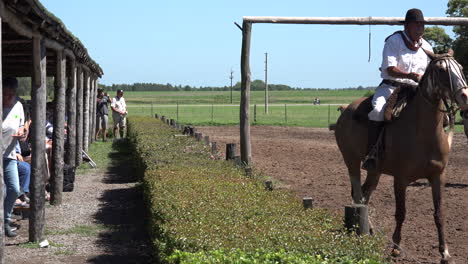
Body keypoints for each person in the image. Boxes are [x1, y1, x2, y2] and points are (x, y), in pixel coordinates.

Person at [362, 8, 434, 170]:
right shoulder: (394, 41)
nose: (420, 29)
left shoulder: (427, 46)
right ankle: (372, 153)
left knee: (439, 115)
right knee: (378, 111)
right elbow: (390, 69)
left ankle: (433, 155)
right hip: (391, 87)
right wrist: (410, 75)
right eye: (417, 25)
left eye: (422, 26)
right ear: (407, 26)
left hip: (417, 92)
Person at [2, 77, 26, 237]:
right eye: (5, 94)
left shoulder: (18, 106)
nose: (9, 97)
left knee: (14, 189)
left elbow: (22, 128)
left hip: (9, 154)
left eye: (12, 94)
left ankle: (5, 219)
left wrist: (22, 133)